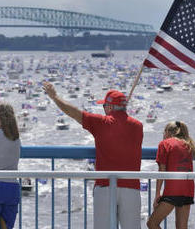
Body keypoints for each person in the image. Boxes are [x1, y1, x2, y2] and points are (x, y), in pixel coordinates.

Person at [43, 82, 143, 229]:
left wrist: (55, 97)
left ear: (109, 107)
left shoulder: (101, 123)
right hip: (132, 187)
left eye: (104, 106)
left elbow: (74, 112)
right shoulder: (138, 126)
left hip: (105, 186)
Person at [147, 121, 195, 229]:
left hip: (173, 190)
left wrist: (157, 194)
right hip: (188, 189)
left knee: (152, 223)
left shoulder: (165, 144)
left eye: (163, 132)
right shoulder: (188, 144)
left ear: (168, 132)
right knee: (182, 227)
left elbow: (162, 170)